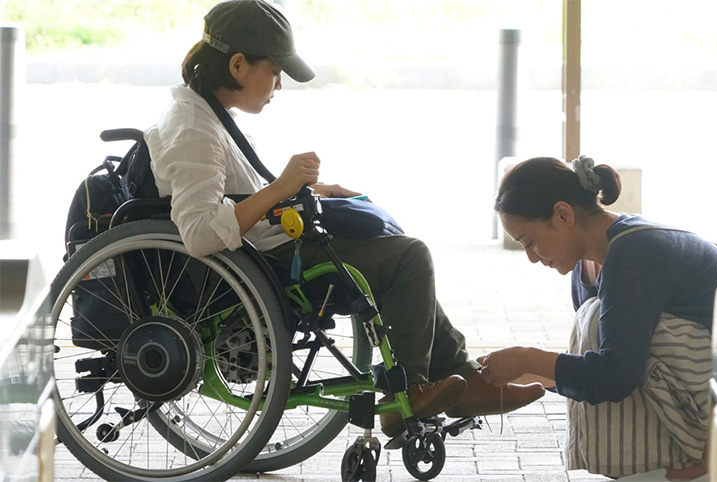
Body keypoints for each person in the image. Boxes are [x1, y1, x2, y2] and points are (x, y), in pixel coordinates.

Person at [144, 0, 544, 437]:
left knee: (394, 248)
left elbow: (232, 197)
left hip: (272, 246)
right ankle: (408, 393)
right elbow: (200, 232)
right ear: (238, 65)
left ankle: (463, 378)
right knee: (408, 258)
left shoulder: (208, 114)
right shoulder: (195, 127)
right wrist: (280, 188)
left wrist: (310, 192)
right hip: (269, 262)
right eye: (274, 72)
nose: (279, 84)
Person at [483, 156, 717, 481]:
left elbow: (615, 375)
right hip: (691, 391)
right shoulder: (586, 266)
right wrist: (525, 373)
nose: (532, 258)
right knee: (593, 322)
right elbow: (609, 362)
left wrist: (529, 358)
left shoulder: (633, 251)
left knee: (593, 319)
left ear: (563, 214)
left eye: (530, 242)